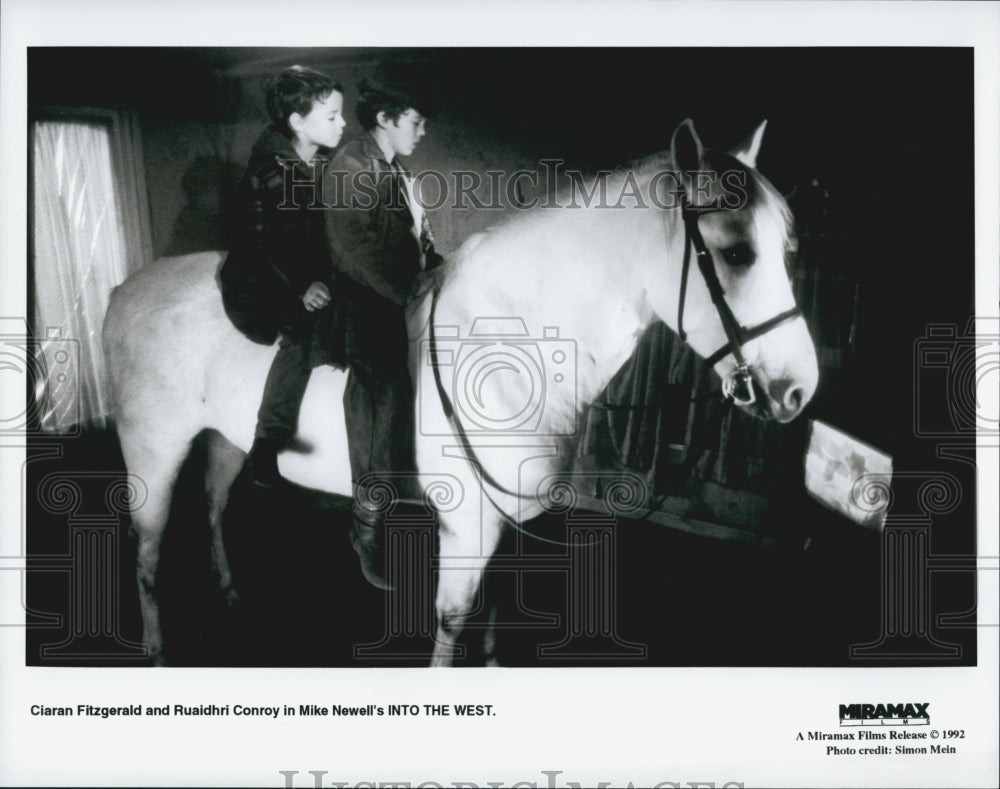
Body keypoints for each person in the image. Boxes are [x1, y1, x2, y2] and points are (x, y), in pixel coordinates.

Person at [324, 62, 442, 588]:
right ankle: (366, 526)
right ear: (388, 117)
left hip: (403, 295)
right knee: (385, 392)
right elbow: (354, 250)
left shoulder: (399, 173)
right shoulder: (352, 165)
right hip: (364, 306)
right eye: (416, 120)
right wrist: (408, 290)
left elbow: (420, 244)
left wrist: (446, 271)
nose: (423, 130)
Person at [220, 65, 347, 488]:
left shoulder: (327, 163)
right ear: (297, 122)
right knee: (301, 334)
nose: (342, 123)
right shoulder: (269, 170)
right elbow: (258, 247)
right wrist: (300, 287)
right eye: (331, 117)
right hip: (261, 278)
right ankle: (266, 445)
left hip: (311, 271)